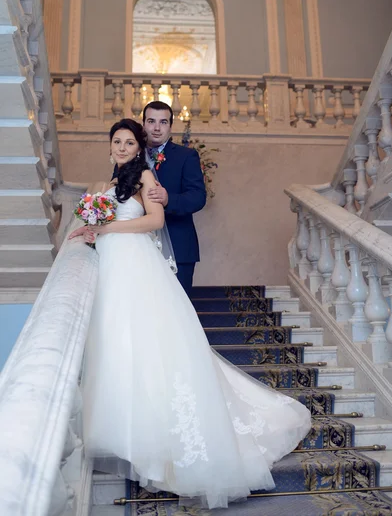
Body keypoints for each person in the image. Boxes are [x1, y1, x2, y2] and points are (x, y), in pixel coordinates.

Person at [70, 119, 311, 510]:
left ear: (138, 148)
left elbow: (155, 220)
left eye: (130, 142)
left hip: (137, 266)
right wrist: (90, 229)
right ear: (109, 145)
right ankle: (132, 437)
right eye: (117, 141)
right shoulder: (103, 186)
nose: (122, 147)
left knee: (152, 346)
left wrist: (108, 226)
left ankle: (165, 450)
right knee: (118, 343)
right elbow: (95, 222)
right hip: (110, 268)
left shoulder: (145, 177)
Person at [113, 102, 206, 297]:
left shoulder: (186, 156)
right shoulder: (128, 153)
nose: (156, 128)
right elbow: (118, 195)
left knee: (177, 309)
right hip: (137, 246)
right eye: (151, 121)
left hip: (178, 246)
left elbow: (198, 197)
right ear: (143, 124)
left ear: (170, 126)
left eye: (163, 122)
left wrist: (168, 199)